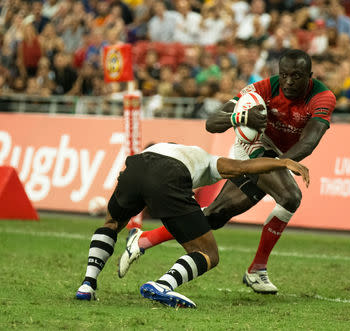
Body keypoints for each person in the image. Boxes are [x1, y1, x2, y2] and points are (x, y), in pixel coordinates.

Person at [117, 49, 336, 295]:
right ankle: (257, 270)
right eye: (284, 75)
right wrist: (241, 116)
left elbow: (309, 141)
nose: (288, 82)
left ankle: (143, 239)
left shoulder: (322, 97)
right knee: (290, 196)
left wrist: (281, 162)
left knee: (215, 215)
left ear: (310, 76)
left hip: (279, 153)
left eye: (296, 76)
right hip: (253, 146)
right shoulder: (263, 88)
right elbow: (212, 123)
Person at [75, 142, 309, 308]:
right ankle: (163, 285)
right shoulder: (208, 160)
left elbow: (140, 166)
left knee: (112, 222)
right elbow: (242, 168)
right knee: (208, 254)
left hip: (135, 166)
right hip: (169, 176)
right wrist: (283, 162)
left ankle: (87, 284)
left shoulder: (163, 147)